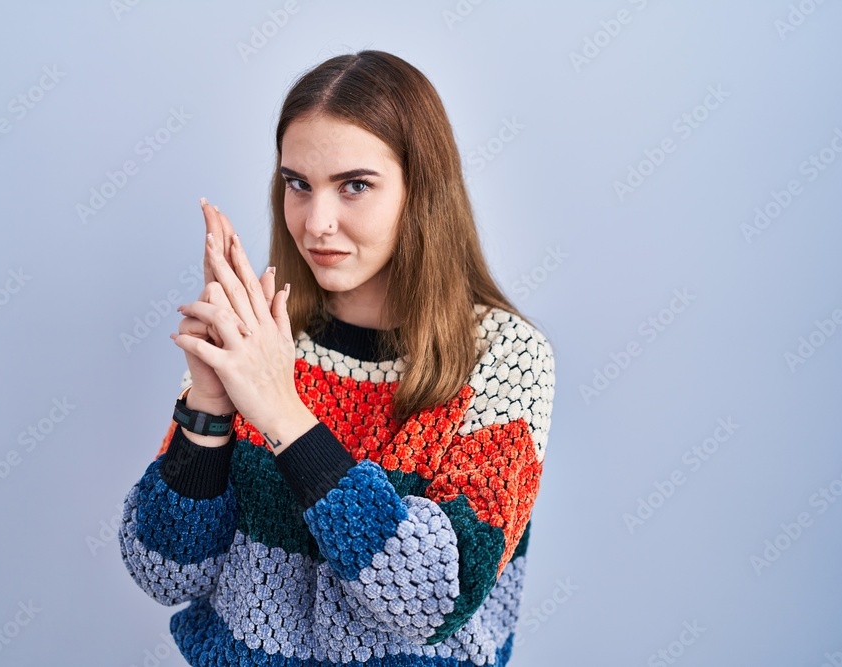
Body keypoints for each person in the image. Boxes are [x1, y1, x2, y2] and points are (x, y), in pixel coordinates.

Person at [118, 49, 556, 667]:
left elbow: (433, 597)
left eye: (355, 186)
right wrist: (209, 411)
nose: (316, 222)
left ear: (422, 190)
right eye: (298, 183)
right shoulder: (263, 336)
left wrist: (283, 415)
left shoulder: (506, 357)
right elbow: (163, 572)